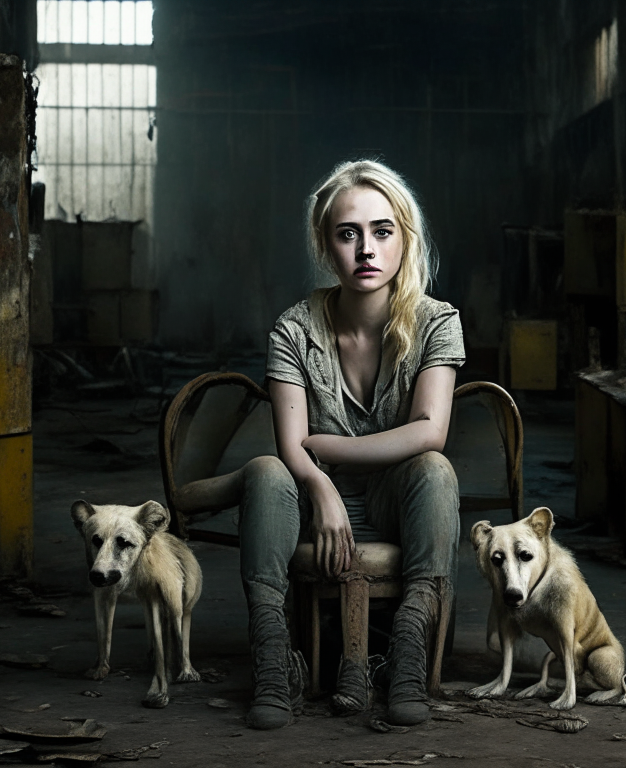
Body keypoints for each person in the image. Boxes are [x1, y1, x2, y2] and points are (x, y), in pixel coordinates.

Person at [211, 160, 464, 730]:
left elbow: (431, 429)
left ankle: (405, 656)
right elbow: (289, 446)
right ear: (327, 246)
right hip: (306, 507)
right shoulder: (294, 329)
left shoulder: (436, 322)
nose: (366, 249)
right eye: (348, 234)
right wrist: (320, 483)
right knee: (270, 473)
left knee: (435, 469)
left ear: (405, 238)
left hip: (393, 503)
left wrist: (325, 448)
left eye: (382, 231)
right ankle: (275, 661)